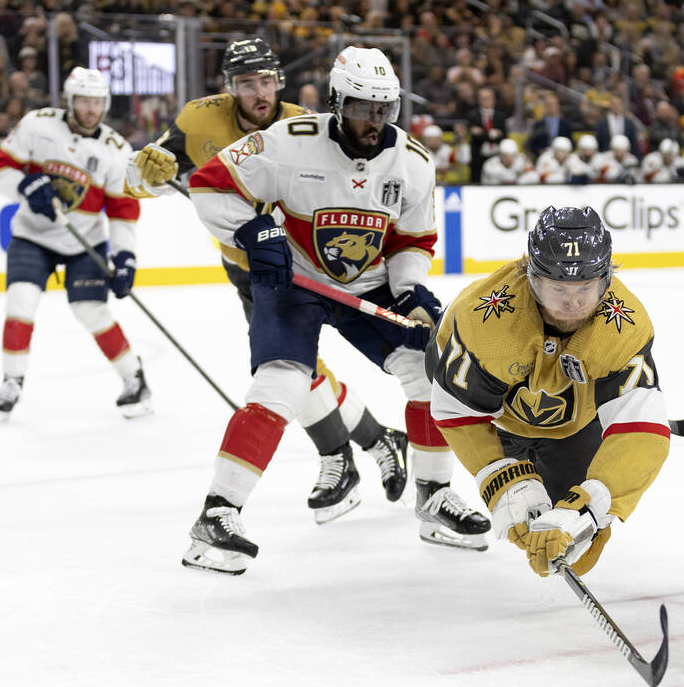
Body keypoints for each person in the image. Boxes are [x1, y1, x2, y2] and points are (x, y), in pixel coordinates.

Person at [182, 46, 490, 574]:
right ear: (336, 101)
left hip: (369, 287)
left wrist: (412, 291)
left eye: (384, 110)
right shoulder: (286, 143)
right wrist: (257, 231)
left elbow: (413, 240)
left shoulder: (413, 163)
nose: (374, 123)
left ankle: (434, 498)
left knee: (429, 374)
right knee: (281, 383)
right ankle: (217, 515)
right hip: (294, 282)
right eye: (362, 109)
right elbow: (208, 186)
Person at [125, 38, 409, 527]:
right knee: (294, 368)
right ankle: (373, 440)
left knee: (288, 370)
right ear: (229, 87)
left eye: (266, 81)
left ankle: (339, 457)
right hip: (246, 266)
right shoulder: (199, 120)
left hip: (300, 268)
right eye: (246, 84)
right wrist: (144, 171)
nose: (259, 92)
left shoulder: (303, 127)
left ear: (279, 80)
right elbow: (139, 180)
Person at [428, 206, 670, 576]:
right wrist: (501, 477)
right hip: (503, 422)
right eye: (558, 288)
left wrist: (591, 506)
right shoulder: (485, 318)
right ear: (532, 277)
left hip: (574, 428)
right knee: (526, 521)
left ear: (606, 279)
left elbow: (643, 432)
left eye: (586, 288)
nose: (573, 303)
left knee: (576, 544)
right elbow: (456, 409)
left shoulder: (623, 326)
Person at [0, 67, 150, 421]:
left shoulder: (116, 150)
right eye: (84, 101)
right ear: (69, 101)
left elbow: (123, 210)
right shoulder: (37, 124)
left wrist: (125, 258)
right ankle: (11, 380)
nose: (91, 109)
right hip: (33, 234)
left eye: (97, 102)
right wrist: (25, 186)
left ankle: (134, 378)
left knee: (91, 311)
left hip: (84, 242)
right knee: (21, 301)